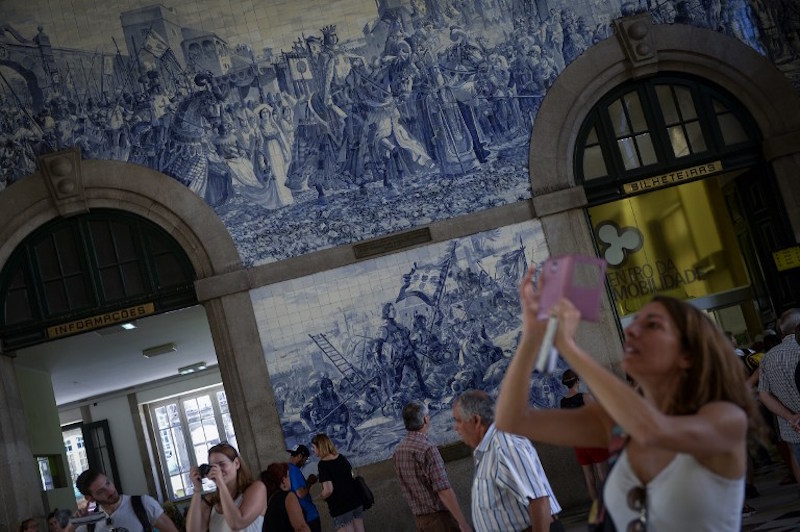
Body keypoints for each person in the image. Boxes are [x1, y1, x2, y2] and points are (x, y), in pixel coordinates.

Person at [496, 267, 761, 531]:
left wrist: (569, 347)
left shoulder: (726, 418)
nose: (633, 330)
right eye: (635, 322)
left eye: (653, 325)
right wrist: (531, 337)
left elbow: (650, 430)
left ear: (688, 356)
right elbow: (513, 419)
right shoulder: (616, 422)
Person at [452, 390, 563, 532]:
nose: (456, 427)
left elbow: (539, 500)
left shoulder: (504, 446)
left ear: (476, 421)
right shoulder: (488, 449)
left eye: (458, 420)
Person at [394, 400, 472, 532]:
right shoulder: (427, 449)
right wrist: (462, 522)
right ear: (425, 419)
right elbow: (443, 490)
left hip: (421, 521)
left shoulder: (399, 451)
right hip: (440, 521)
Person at [758, 309, 800, 483]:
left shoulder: (767, 358)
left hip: (791, 425)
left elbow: (764, 394)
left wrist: (790, 417)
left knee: (796, 458)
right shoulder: (799, 349)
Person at [186, 442, 266, 532]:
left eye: (222, 464)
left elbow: (237, 524)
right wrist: (197, 490)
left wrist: (221, 483)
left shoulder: (257, 488)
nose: (217, 470)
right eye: (213, 467)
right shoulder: (212, 500)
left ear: (236, 463)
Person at [559, 370, 609, 504]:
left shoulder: (563, 403)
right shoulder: (585, 397)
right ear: (577, 381)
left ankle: (596, 508)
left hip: (578, 442)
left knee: (589, 478)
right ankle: (610, 507)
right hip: (592, 439)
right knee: (603, 475)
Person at [73, 469, 179, 532]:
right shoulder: (90, 522)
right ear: (89, 498)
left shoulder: (143, 504)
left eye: (108, 483)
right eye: (101, 491)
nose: (110, 491)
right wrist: (74, 524)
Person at [311, 433, 364, 532]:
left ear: (320, 447)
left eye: (314, 447)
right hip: (356, 501)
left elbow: (328, 490)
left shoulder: (323, 465)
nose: (313, 450)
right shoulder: (341, 458)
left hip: (341, 507)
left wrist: (320, 497)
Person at [260, 462, 311, 532]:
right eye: (288, 476)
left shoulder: (268, 500)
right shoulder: (288, 497)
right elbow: (301, 527)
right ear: (283, 480)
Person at [287, 444, 321, 532]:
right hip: (308, 516)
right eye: (305, 459)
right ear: (300, 456)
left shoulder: (288, 470)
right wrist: (309, 482)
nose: (304, 463)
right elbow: (300, 494)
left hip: (301, 516)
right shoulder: (294, 470)